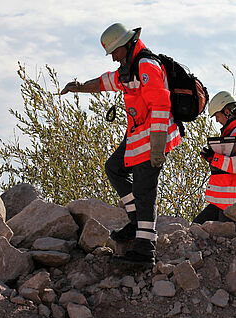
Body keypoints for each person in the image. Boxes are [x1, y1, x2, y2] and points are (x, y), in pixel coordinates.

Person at [61, 23, 181, 267]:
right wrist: (80, 87)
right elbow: (105, 82)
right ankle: (136, 221)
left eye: (115, 51)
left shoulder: (147, 66)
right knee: (114, 168)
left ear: (128, 44)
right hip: (138, 137)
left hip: (153, 138)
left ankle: (145, 250)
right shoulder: (129, 68)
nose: (113, 58)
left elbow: (160, 106)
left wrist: (157, 148)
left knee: (145, 192)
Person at [193, 91, 236, 224]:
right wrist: (212, 156)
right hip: (226, 201)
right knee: (196, 227)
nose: (216, 120)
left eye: (217, 115)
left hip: (232, 203)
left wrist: (214, 158)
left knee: (206, 233)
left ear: (227, 112)